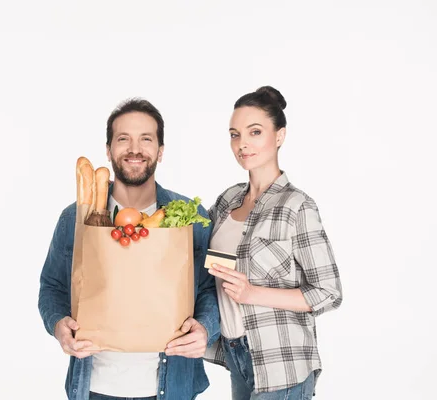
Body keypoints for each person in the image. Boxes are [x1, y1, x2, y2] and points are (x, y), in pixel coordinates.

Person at [38, 98, 220, 400]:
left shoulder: (190, 216)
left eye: (146, 139)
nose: (134, 149)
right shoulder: (76, 217)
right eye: (123, 139)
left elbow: (212, 288)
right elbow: (52, 286)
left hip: (171, 385)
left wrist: (205, 328)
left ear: (160, 151)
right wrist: (59, 326)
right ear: (108, 150)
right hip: (94, 386)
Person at [205, 86, 343, 399]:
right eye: (234, 134)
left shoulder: (297, 206)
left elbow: (329, 292)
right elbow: (198, 259)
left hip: (282, 361)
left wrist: (252, 293)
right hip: (236, 353)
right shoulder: (226, 201)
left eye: (255, 132)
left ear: (279, 136)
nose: (242, 144)